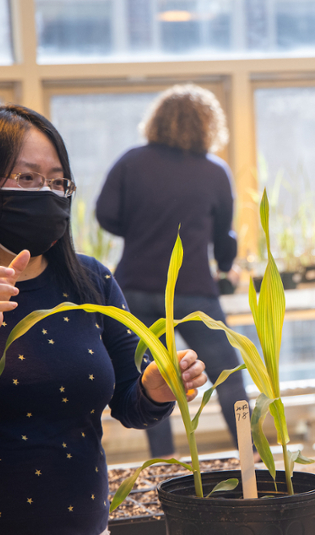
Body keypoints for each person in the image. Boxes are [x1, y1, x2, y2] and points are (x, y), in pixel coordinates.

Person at [0, 104, 208, 535]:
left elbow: (129, 402)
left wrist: (154, 390)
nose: (46, 193)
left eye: (56, 181)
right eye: (27, 178)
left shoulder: (91, 281)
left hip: (82, 525)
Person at [96, 84, 246, 459]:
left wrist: (141, 227)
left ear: (157, 120)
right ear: (208, 125)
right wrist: (227, 267)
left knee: (152, 381)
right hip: (195, 288)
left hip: (136, 287)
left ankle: (165, 463)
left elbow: (105, 213)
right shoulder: (214, 171)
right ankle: (252, 457)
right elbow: (224, 234)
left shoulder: (131, 162)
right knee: (228, 375)